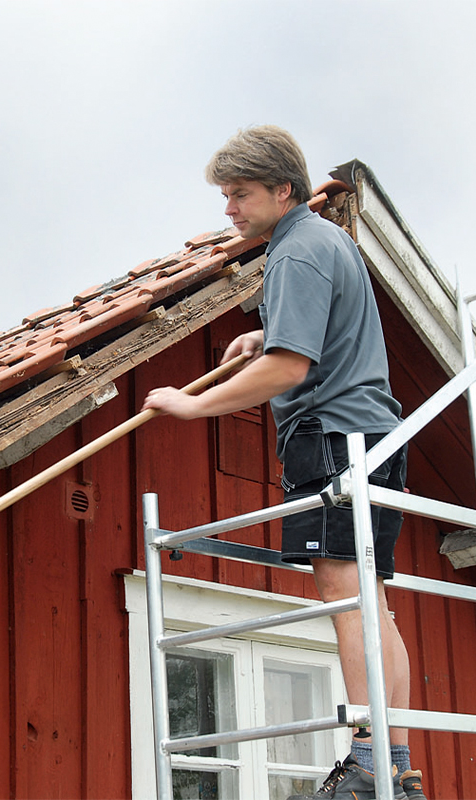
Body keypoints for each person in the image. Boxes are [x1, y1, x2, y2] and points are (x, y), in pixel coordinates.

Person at [142, 125, 425, 800]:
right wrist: (267, 330)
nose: (230, 210)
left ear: (282, 191)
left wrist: (189, 404)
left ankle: (367, 758)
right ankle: (394, 760)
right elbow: (310, 336)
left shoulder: (296, 252)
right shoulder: (326, 241)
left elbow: (289, 369)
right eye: (225, 196)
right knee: (372, 602)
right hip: (371, 436)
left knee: (346, 597)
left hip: (332, 437)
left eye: (240, 195)